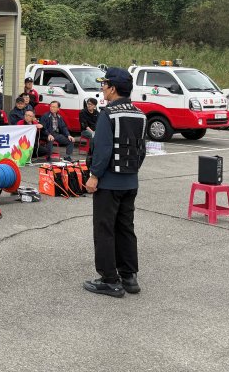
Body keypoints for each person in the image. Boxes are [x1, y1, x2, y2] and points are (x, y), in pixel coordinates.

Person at [83, 67, 147, 298]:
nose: (102, 89)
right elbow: (141, 150)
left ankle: (110, 279)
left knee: (104, 229)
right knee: (126, 228)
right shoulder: (140, 114)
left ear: (112, 88)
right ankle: (129, 276)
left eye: (104, 85)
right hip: (131, 182)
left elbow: (102, 148)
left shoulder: (108, 114)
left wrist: (94, 176)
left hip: (109, 183)